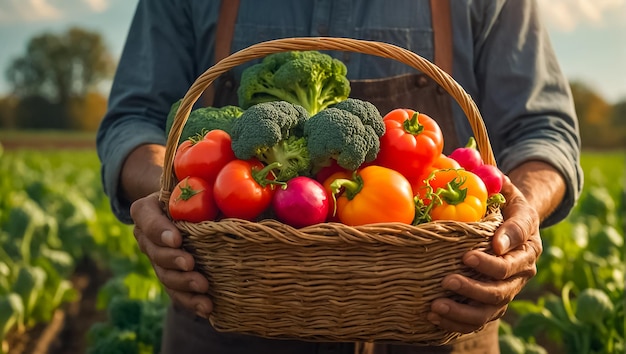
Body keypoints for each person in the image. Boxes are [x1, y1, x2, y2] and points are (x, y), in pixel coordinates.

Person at [96, 0, 583, 353]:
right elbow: (134, 118)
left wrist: (521, 217)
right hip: (225, 310)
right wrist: (166, 192)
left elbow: (543, 129)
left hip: (444, 310)